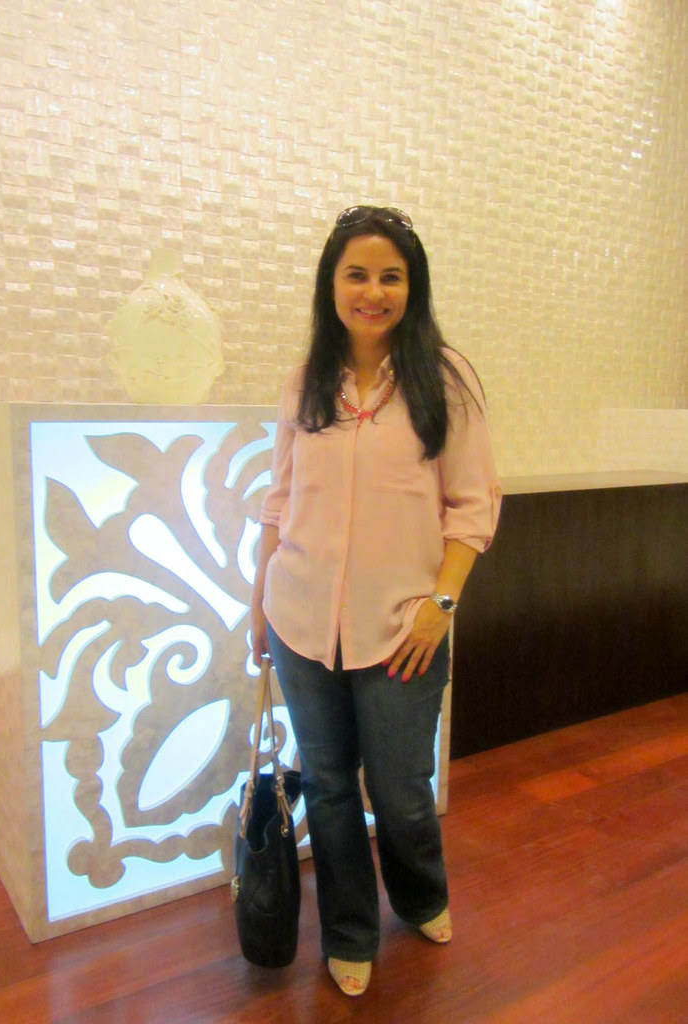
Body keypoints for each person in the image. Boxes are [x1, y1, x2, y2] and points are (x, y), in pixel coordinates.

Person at [251, 206, 501, 996]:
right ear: (330, 285)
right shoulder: (304, 381)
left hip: (404, 629)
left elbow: (472, 507)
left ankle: (420, 894)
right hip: (299, 621)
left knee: (399, 792)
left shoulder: (444, 380)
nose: (373, 291)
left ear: (411, 288)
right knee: (327, 787)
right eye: (356, 274)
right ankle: (349, 932)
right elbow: (278, 500)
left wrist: (440, 607)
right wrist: (258, 602)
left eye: (390, 277)